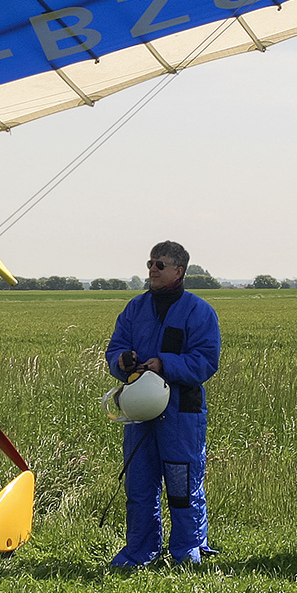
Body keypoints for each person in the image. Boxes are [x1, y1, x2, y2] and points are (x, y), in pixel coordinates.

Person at [105, 241, 221, 566]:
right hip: (139, 412)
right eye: (150, 263)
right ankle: (140, 552)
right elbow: (114, 349)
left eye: (159, 265)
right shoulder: (134, 309)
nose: (152, 270)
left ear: (178, 271)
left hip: (181, 415)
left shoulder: (199, 312)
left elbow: (206, 361)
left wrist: (164, 364)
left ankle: (188, 551)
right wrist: (122, 361)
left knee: (182, 487)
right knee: (140, 487)